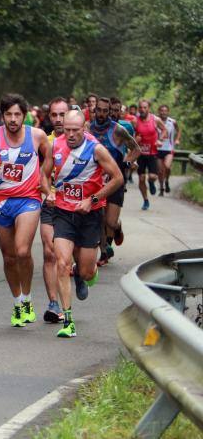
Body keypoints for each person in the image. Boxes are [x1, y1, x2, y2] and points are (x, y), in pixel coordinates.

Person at [42, 110, 124, 338]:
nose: (69, 134)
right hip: (63, 213)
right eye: (66, 129)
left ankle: (85, 273)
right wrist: (48, 191)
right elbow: (44, 174)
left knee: (86, 271)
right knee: (61, 262)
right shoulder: (55, 146)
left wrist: (93, 199)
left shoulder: (96, 149)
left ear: (84, 128)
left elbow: (118, 178)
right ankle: (68, 320)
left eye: (75, 130)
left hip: (90, 215)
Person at [0, 94, 50, 327]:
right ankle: (17, 302)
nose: (13, 119)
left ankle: (27, 298)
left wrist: (43, 179)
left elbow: (51, 159)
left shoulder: (37, 136)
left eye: (18, 114)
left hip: (29, 199)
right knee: (8, 257)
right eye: (9, 114)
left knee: (22, 251)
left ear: (25, 116)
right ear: (3, 115)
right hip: (2, 202)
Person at [88, 97, 140, 266]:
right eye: (99, 110)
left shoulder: (117, 130)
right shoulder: (88, 129)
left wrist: (125, 164)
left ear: (110, 112)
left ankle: (117, 228)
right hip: (95, 182)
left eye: (105, 111)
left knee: (110, 221)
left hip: (115, 181)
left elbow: (136, 149)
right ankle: (104, 251)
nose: (102, 114)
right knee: (100, 217)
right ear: (94, 111)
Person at [39, 97, 68, 323]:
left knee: (69, 259)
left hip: (75, 207)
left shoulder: (83, 141)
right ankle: (53, 304)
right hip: (50, 203)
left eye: (62, 115)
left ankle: (83, 274)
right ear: (49, 117)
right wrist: (47, 191)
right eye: (54, 115)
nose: (58, 119)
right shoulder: (44, 141)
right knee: (49, 253)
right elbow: (39, 173)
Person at [134, 99, 168, 210]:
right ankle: (145, 200)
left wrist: (160, 139)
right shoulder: (135, 121)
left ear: (149, 108)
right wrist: (135, 139)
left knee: (153, 176)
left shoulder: (155, 119)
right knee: (141, 178)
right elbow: (129, 136)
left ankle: (151, 182)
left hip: (152, 152)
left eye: (145, 107)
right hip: (140, 154)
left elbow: (164, 130)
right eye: (141, 108)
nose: (142, 110)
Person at [156, 105, 181, 196]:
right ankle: (162, 188)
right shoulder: (156, 121)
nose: (163, 112)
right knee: (159, 171)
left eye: (165, 111)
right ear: (159, 111)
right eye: (162, 110)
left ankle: (166, 181)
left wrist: (177, 139)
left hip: (169, 148)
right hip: (158, 149)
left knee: (167, 167)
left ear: (168, 112)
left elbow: (178, 131)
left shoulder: (172, 122)